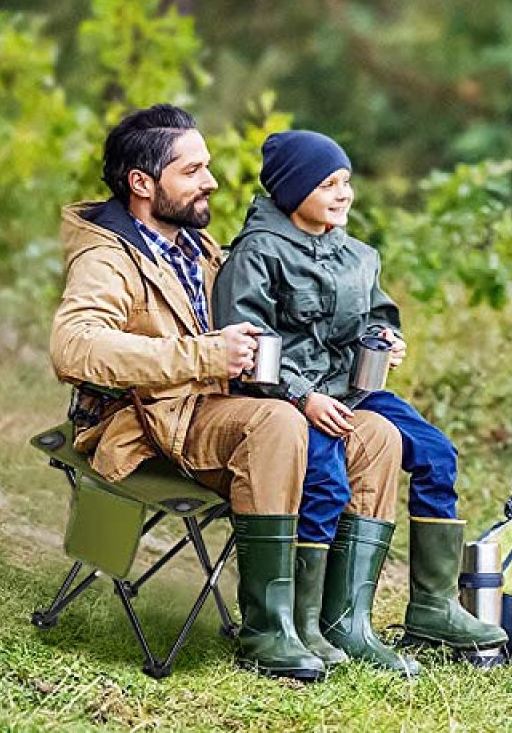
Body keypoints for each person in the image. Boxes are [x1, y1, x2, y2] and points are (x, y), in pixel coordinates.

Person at [49, 106, 403, 681]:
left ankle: (337, 623)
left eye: (207, 167)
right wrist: (203, 354)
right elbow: (75, 347)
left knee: (376, 436)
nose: (210, 181)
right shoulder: (106, 257)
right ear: (142, 184)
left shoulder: (198, 247)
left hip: (223, 408)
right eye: (192, 171)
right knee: (277, 425)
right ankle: (268, 628)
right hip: (153, 421)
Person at [213, 130, 508, 672]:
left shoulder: (358, 256)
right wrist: (302, 400)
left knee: (438, 455)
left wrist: (385, 340)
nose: (342, 193)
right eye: (326, 183)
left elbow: (376, 314)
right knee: (328, 483)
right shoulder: (257, 254)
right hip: (291, 399)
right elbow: (248, 344)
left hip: (356, 389)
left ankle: (431, 606)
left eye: (346, 181)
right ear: (291, 190)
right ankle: (306, 626)